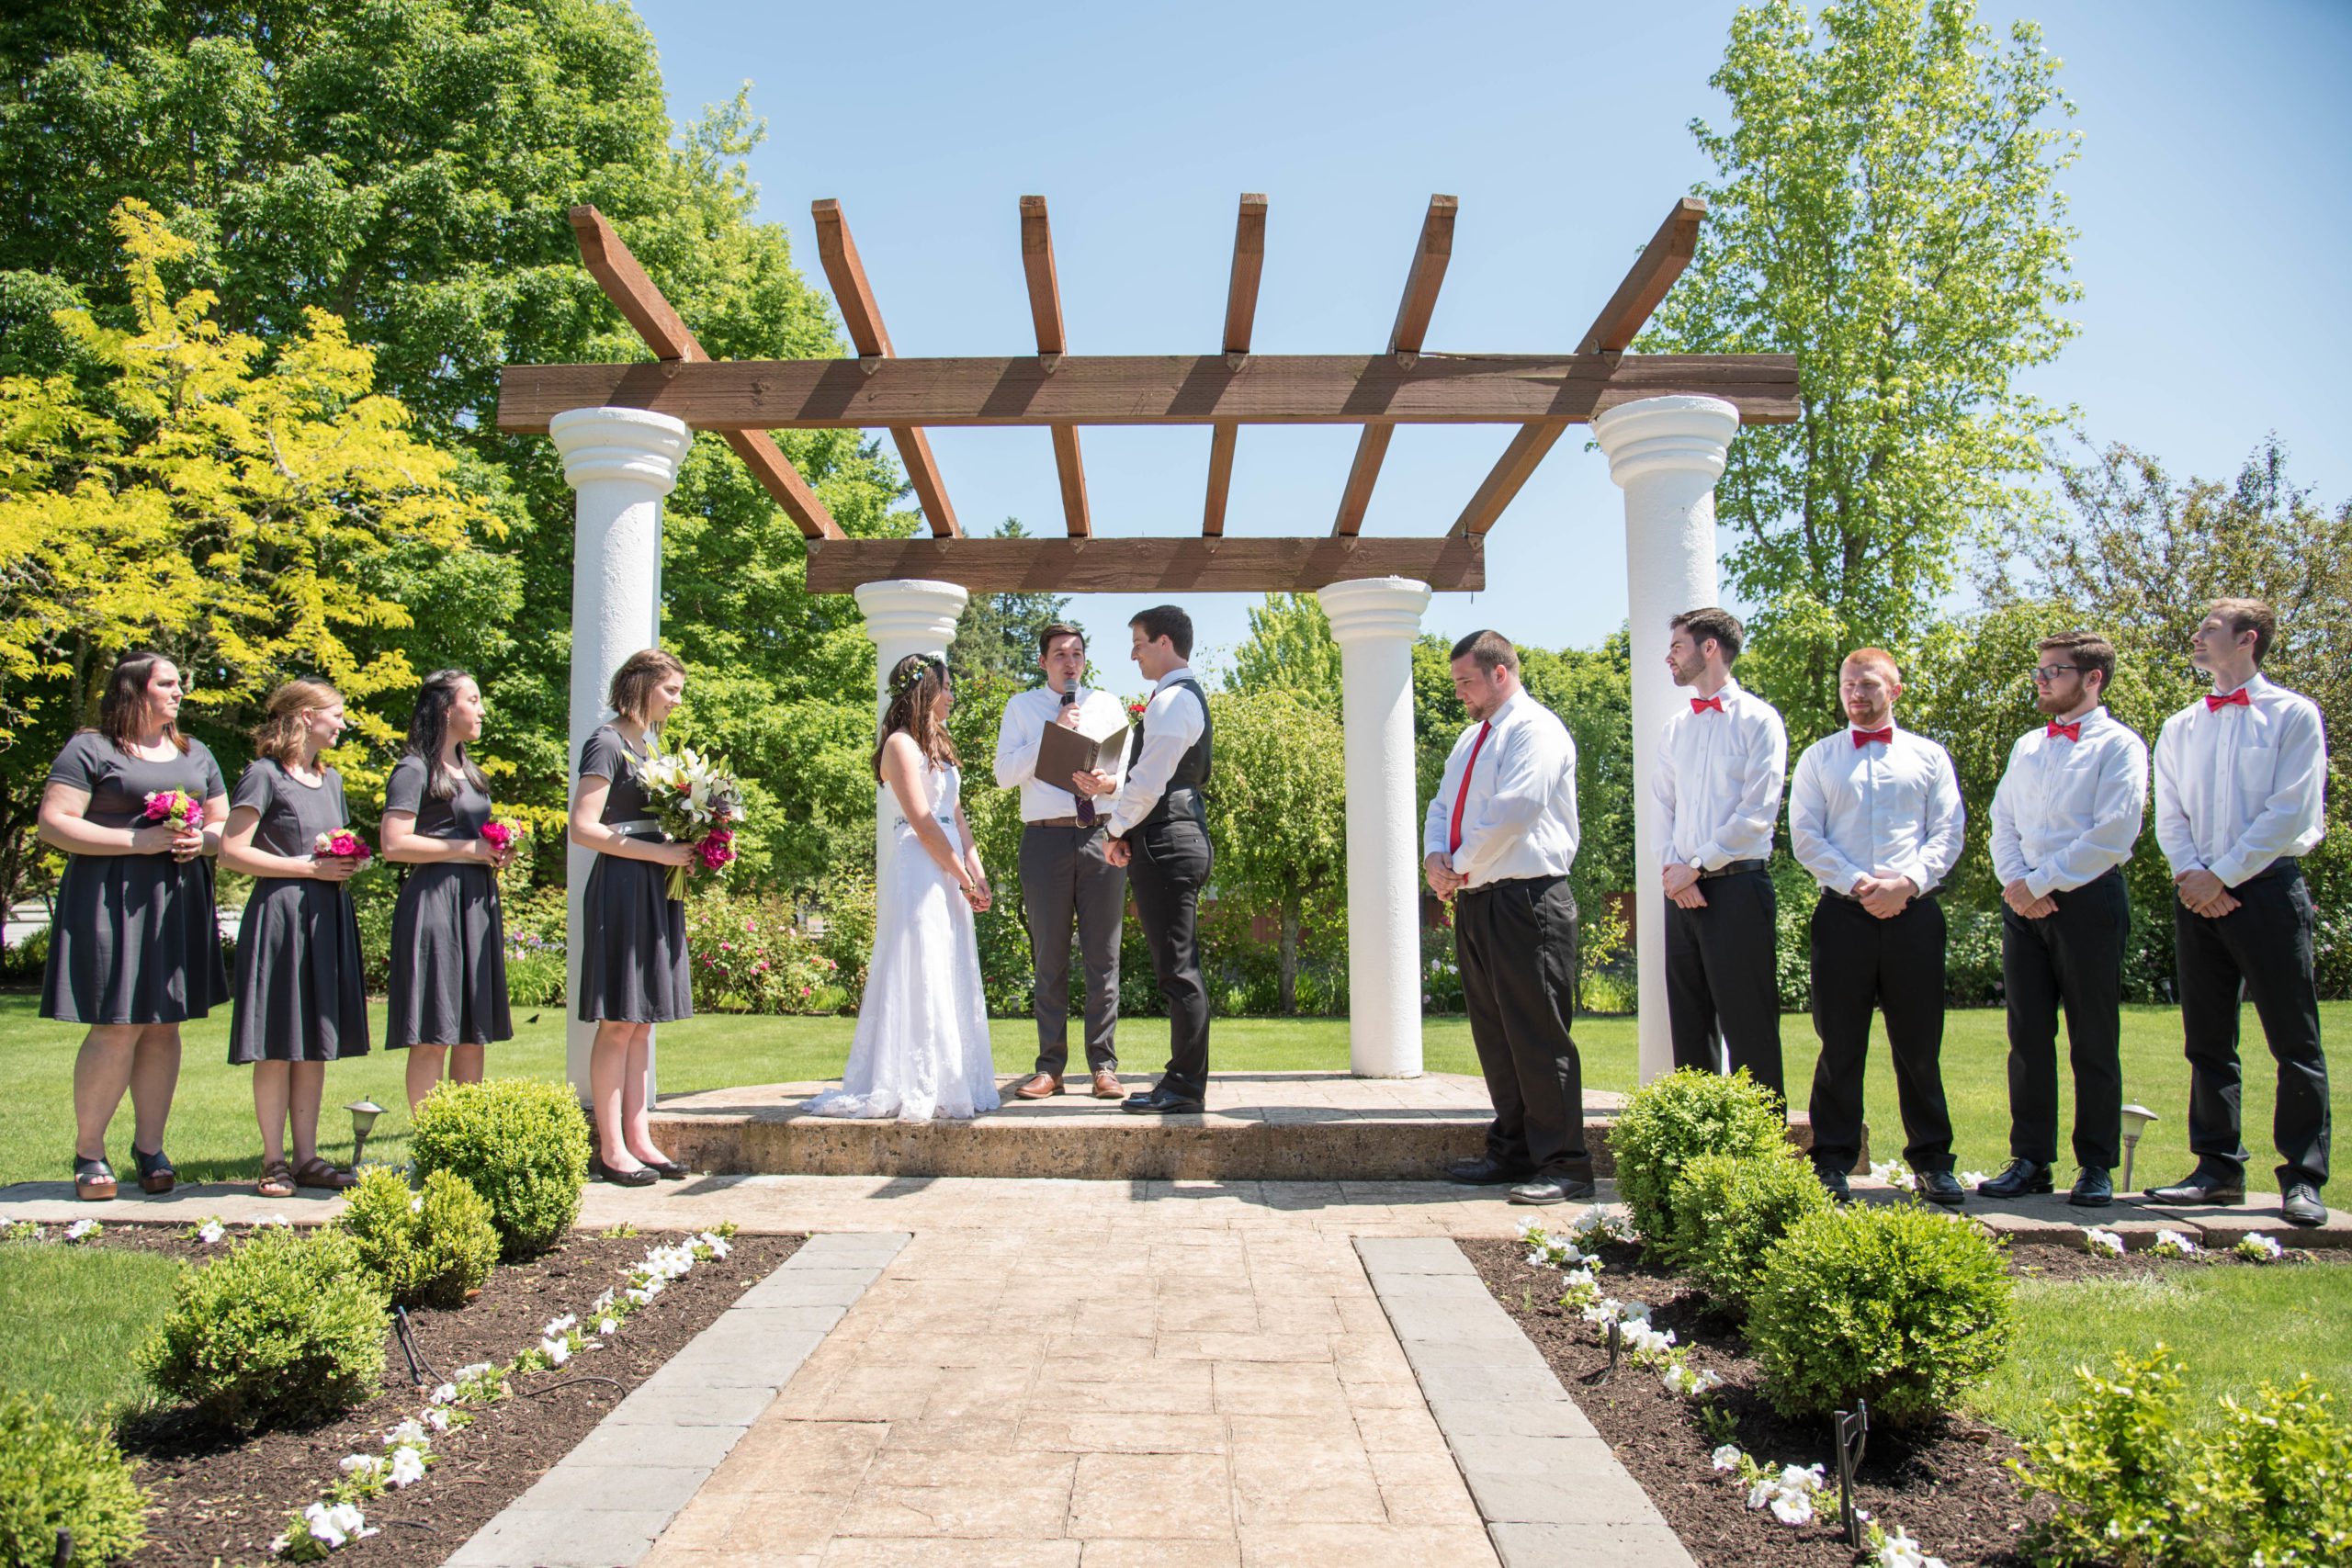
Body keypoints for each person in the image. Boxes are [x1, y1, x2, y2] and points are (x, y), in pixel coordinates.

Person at [2146, 598, 2330, 1226]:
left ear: (2248, 639)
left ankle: (2302, 1176)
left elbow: (2289, 810)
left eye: (2210, 629)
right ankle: (2216, 1168)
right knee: (2207, 1040)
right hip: (2195, 889)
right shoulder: (2181, 725)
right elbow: (2168, 812)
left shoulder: (2294, 716)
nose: (2196, 636)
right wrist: (2192, 876)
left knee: (2293, 1039)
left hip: (2268, 890)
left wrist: (2221, 875)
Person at [39, 650, 231, 1201]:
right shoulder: (92, 748)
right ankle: (90, 1152)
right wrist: (134, 841)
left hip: (177, 900)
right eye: (167, 683)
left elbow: (222, 826)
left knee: (164, 1025)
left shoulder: (196, 752)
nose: (179, 692)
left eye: (179, 684)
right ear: (134, 691)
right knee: (117, 1024)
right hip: (110, 899)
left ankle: (150, 1150)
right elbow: (54, 822)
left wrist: (204, 842)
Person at [1788, 649, 1965, 1205]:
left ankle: (1933, 1162)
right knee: (1839, 1044)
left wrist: (1906, 884)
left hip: (1914, 913)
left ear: (1896, 689)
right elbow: (1806, 837)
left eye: (1867, 685)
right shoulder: (1818, 758)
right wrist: (1862, 885)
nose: (1855, 694)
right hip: (1843, 914)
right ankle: (1832, 1160)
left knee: (1918, 1045)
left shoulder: (1930, 757)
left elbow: (1948, 833)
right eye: (1847, 685)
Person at [1980, 630, 2147, 1208]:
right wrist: (2016, 884)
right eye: (2041, 670)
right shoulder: (2027, 746)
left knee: (2093, 1037)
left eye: (2055, 671)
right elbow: (2001, 820)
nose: (2042, 679)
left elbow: (2114, 832)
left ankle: (2095, 1164)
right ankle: (2031, 1159)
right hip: (2023, 904)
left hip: (2089, 901)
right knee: (2026, 1036)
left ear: (2092, 677)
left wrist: (2040, 882)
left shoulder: (2120, 746)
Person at [1423, 631, 1590, 1206]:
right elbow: (1442, 805)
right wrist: (1434, 859)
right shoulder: (1471, 739)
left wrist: (1459, 867)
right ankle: (1513, 1150)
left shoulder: (1536, 731)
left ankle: (1566, 1164)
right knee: (1495, 1035)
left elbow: (1513, 814)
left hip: (1528, 899)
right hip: (1478, 900)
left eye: (1466, 681)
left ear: (1500, 673)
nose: (1460, 694)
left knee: (1539, 1036)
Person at [807, 652, 1000, 1122]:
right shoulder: (898, 745)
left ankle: (954, 1078)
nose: (953, 696)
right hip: (921, 866)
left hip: (952, 864)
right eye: (947, 687)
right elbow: (923, 821)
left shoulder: (941, 745)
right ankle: (915, 1081)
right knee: (921, 962)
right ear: (927, 691)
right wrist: (962, 876)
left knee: (950, 963)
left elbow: (957, 817)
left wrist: (979, 873)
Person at [220, 679, 368, 1198]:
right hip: (281, 916)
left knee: (313, 1044)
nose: (343, 724)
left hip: (326, 916)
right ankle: (273, 1160)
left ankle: (307, 1158)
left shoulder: (331, 780)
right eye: (337, 714)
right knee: (277, 1044)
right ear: (306, 716)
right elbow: (232, 851)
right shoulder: (262, 777)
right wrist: (305, 868)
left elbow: (331, 847)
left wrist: (348, 861)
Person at [569, 649, 698, 1185]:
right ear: (641, 685)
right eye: (670, 690)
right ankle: (611, 1148)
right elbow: (582, 827)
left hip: (656, 886)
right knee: (619, 1019)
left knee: (642, 1023)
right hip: (622, 887)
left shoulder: (652, 746)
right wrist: (659, 854)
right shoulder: (607, 742)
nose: (677, 700)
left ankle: (640, 1138)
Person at [1655, 607, 1789, 1101]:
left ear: (1709, 648)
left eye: (1676, 647)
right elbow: (1661, 805)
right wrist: (1674, 872)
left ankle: (1762, 1149)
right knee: (1689, 1025)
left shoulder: (1760, 721)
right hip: (1681, 891)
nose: (1668, 657)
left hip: (1738, 887)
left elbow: (1757, 812)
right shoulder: (1675, 729)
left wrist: (1698, 866)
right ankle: (1701, 1147)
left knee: (1749, 1023)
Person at [994, 621, 1128, 1101]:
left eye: (1076, 653)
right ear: (1043, 662)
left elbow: (1127, 775)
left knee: (1103, 959)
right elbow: (1004, 775)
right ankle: (1050, 1068)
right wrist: (1052, 735)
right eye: (1059, 654)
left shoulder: (1108, 705)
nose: (1070, 661)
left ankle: (1104, 1068)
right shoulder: (1022, 707)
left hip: (1100, 838)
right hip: (1044, 842)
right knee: (1048, 959)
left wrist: (1106, 784)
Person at [1089, 606, 1213, 1115]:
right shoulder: (1178, 699)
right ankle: (1183, 1080)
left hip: (1167, 837)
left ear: (1164, 642)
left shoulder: (1171, 701)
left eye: (1138, 642)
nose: (1133, 653)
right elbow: (1151, 778)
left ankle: (1184, 1086)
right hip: (1170, 833)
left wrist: (1114, 830)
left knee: (1178, 970)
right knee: (1179, 968)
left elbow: (1149, 782)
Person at [383, 670, 516, 1113]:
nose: (481, 710)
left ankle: (463, 1141)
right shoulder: (413, 768)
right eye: (473, 700)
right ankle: (430, 1145)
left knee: (472, 1032)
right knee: (432, 1032)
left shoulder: (471, 771)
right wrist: (471, 848)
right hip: (434, 906)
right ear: (445, 709)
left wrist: (495, 851)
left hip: (476, 905)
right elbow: (394, 843)